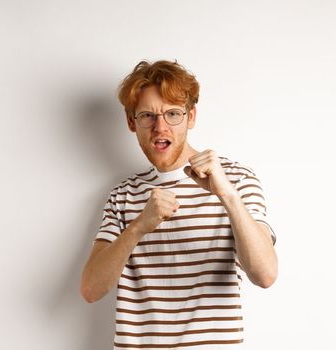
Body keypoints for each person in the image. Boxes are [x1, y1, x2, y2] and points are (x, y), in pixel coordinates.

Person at [80, 59, 278, 349]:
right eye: (148, 115)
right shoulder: (123, 195)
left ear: (191, 116)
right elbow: (90, 290)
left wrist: (227, 196)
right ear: (131, 122)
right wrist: (138, 227)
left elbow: (265, 275)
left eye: (173, 114)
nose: (161, 127)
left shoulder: (235, 179)